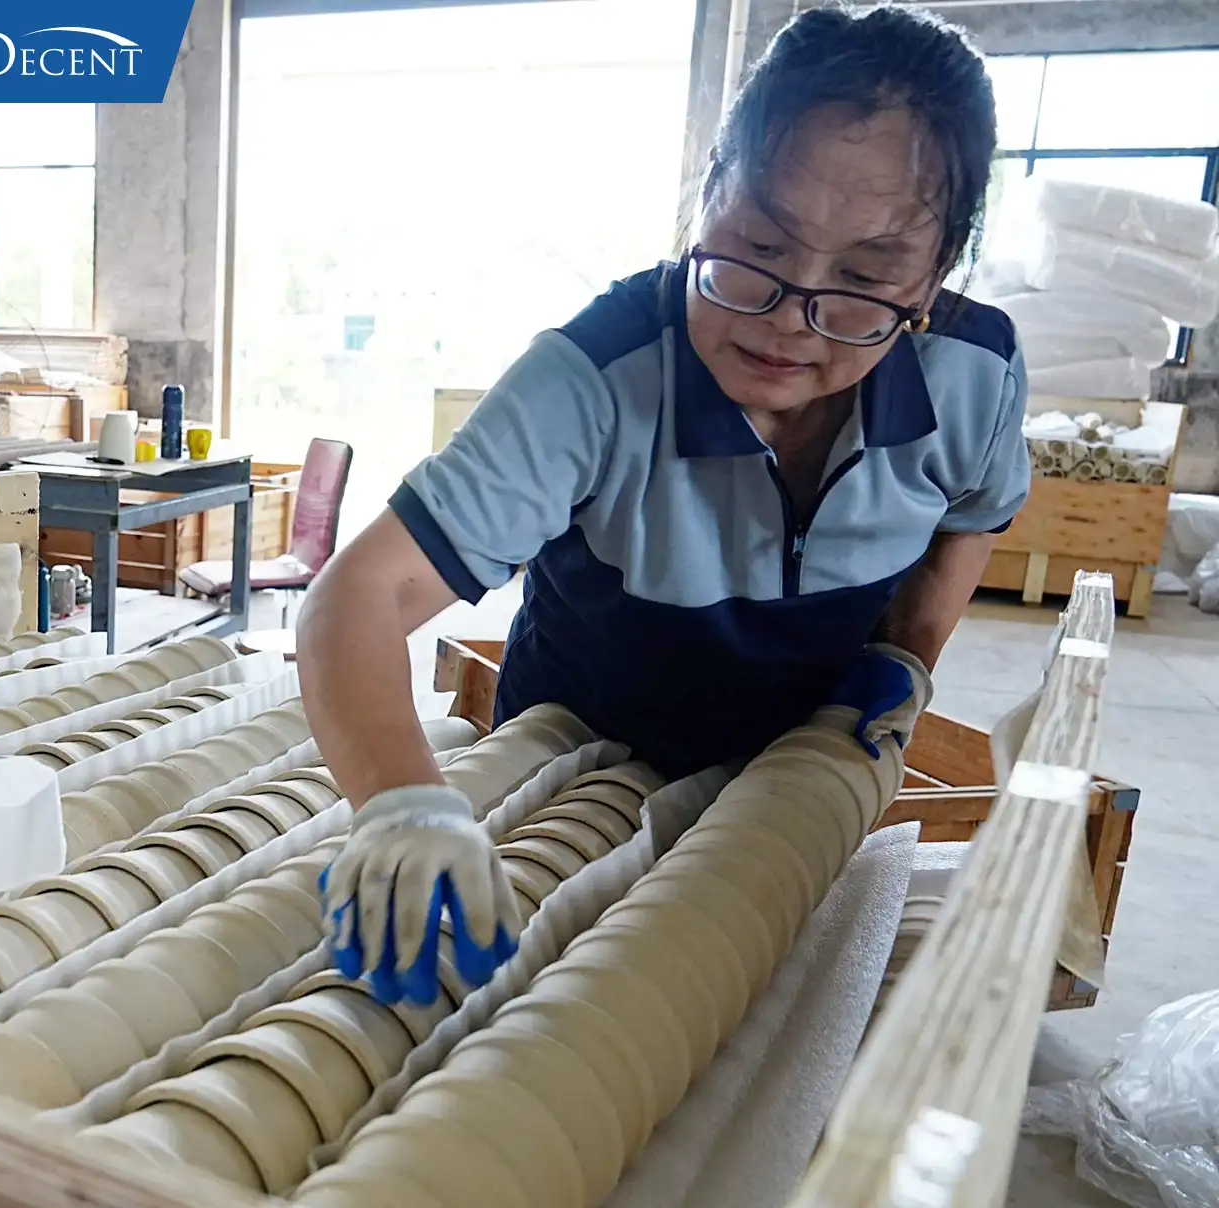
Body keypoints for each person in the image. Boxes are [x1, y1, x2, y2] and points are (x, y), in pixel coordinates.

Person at [298, 4, 1029, 1006]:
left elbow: (973, 513)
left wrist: (903, 657)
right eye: (758, 247)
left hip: (790, 777)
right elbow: (357, 597)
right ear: (706, 192)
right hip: (577, 765)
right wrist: (401, 803)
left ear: (936, 276)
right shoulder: (597, 375)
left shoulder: (971, 372)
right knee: (526, 1013)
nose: (787, 320)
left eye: (863, 278)